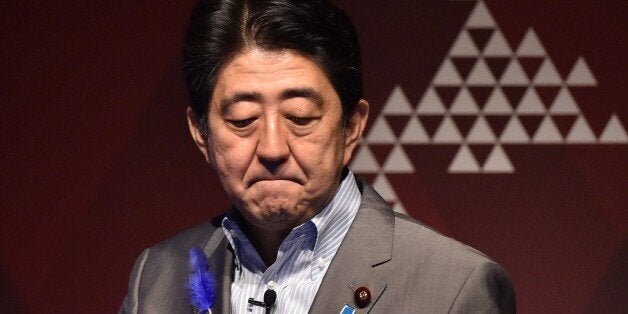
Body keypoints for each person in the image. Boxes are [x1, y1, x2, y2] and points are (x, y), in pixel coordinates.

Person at [120, 0, 516, 313]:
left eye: (300, 117)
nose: (272, 148)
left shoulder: (454, 288)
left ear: (352, 126)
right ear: (200, 134)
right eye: (243, 119)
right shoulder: (156, 278)